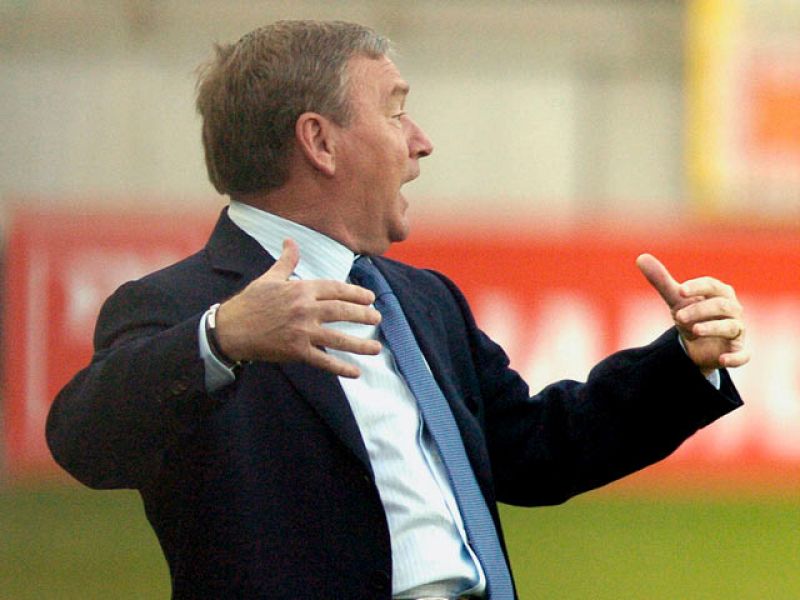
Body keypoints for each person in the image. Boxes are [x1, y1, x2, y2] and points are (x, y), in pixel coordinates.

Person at [45, 20, 748, 600]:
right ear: (319, 141)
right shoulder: (183, 307)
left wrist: (683, 364)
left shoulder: (422, 301)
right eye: (395, 110)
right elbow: (85, 440)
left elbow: (535, 450)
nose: (421, 141)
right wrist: (223, 338)